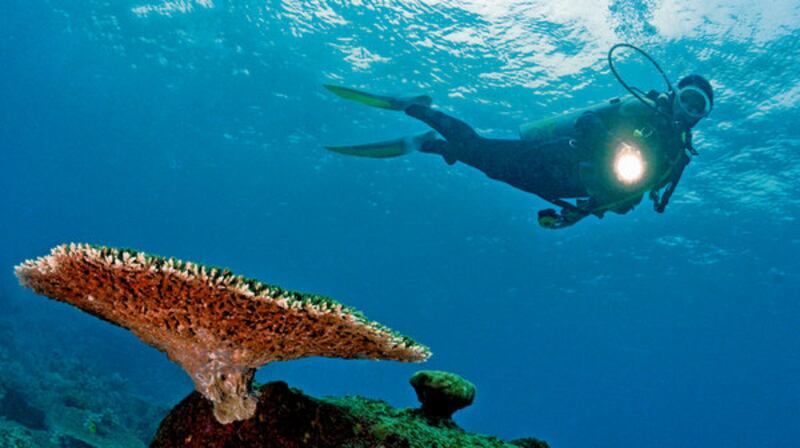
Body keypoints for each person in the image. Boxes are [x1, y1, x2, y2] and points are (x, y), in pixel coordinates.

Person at [324, 47, 713, 229]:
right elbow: (590, 122)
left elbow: (627, 199)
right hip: (559, 157)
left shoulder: (677, 158)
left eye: (699, 108)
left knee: (486, 165)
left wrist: (577, 215)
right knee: (482, 152)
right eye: (689, 99)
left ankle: (431, 142)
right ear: (676, 93)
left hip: (565, 187)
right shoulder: (639, 108)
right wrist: (616, 146)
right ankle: (419, 110)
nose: (689, 111)